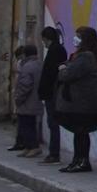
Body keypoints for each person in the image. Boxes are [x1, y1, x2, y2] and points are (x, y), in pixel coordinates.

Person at [54, 27, 97, 173]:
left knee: (81, 132)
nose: (75, 39)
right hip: (83, 103)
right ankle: (78, 160)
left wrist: (63, 69)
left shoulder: (86, 57)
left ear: (85, 40)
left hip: (83, 104)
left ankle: (82, 161)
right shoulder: (86, 56)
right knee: (80, 132)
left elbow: (68, 74)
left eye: (78, 36)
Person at [37, 25, 67, 162]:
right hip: (52, 92)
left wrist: (44, 91)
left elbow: (50, 74)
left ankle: (54, 153)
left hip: (52, 93)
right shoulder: (58, 50)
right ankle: (53, 153)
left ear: (46, 38)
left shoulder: (55, 51)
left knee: (53, 123)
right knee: (52, 123)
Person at [10, 45, 41, 154]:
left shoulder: (27, 66)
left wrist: (18, 98)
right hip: (33, 100)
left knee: (25, 125)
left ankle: (33, 147)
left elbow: (25, 85)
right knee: (30, 124)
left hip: (27, 101)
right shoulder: (37, 64)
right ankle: (28, 147)